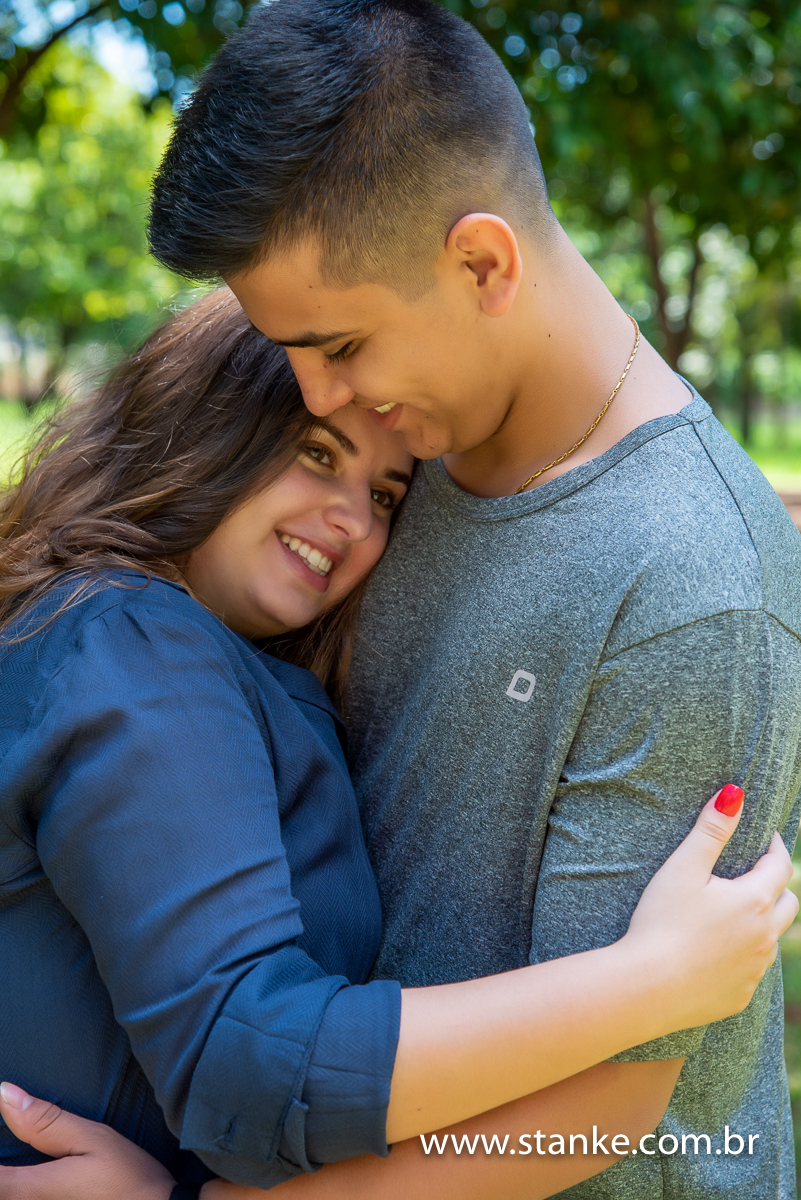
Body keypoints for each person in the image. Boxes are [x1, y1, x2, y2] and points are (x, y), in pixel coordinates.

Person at [140, 2, 801, 1197]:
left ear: (484, 263)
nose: (318, 395)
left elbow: (603, 1104)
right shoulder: (407, 462)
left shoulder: (696, 583)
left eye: (339, 345)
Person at [0, 290, 795, 1200]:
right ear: (201, 426)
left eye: (382, 494)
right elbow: (248, 1065)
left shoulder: (165, 648)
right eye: (315, 453)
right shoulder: (134, 643)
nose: (350, 519)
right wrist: (651, 982)